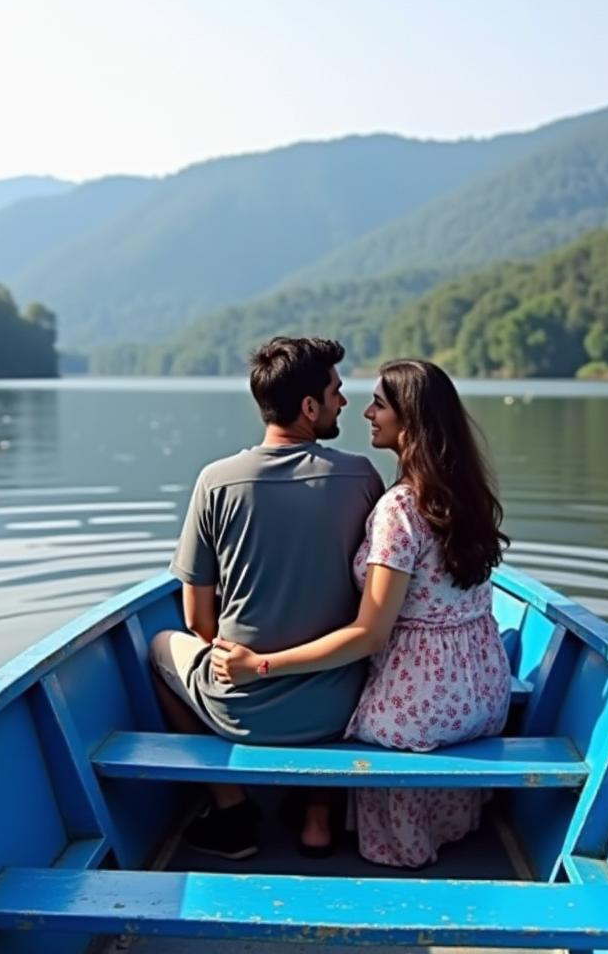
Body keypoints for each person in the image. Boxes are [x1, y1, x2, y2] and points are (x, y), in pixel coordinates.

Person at [212, 359, 511, 868]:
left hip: (422, 705)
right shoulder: (469, 495)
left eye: (379, 404)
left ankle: (312, 817)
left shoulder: (400, 509)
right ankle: (323, 818)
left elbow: (371, 636)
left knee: (332, 702)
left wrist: (259, 665)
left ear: (409, 422)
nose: (366, 412)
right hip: (484, 690)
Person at [150, 336, 384, 860]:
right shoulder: (362, 478)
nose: (344, 402)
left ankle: (231, 807)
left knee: (159, 647)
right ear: (308, 407)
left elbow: (198, 621)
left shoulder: (215, 482)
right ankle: (319, 817)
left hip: (241, 710)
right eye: (335, 392)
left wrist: (249, 661)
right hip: (339, 710)